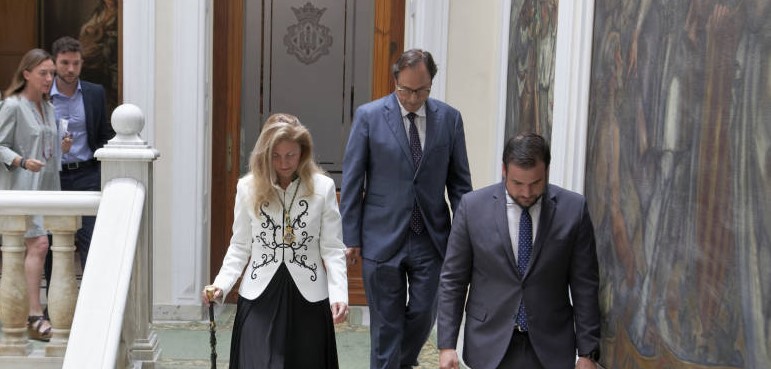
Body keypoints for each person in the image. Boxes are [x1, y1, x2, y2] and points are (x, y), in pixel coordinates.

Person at [340, 48, 472, 369]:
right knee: (386, 326)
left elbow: (459, 185)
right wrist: (350, 237)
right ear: (395, 80)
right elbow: (354, 180)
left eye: (420, 90)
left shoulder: (449, 119)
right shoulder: (369, 116)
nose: (412, 98)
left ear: (430, 84)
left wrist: (466, 238)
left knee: (426, 311)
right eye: (405, 89)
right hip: (380, 236)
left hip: (431, 236)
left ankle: (396, 363)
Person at [437, 133, 601, 369]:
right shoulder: (472, 208)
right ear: (504, 170)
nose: (526, 192)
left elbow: (585, 284)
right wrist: (446, 345)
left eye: (535, 183)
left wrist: (587, 352)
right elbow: (453, 279)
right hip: (489, 341)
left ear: (546, 171)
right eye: (517, 183)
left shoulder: (573, 210)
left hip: (551, 344)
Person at [202, 113, 348, 369]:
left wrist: (339, 294)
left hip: (309, 296)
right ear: (265, 155)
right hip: (259, 294)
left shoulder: (323, 187)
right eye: (276, 156)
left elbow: (333, 248)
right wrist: (221, 285)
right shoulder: (247, 187)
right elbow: (239, 246)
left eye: (290, 155)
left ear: (303, 152)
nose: (284, 163)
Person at [0, 48, 71, 341]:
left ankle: (24, 311)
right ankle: (33, 313)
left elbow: (47, 149)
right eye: (43, 72)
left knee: (35, 248)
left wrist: (62, 149)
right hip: (22, 189)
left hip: (47, 188)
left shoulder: (50, 107)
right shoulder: (12, 105)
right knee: (39, 245)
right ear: (26, 73)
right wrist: (20, 161)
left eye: (51, 73)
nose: (49, 78)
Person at [49, 36, 113, 271]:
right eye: (65, 63)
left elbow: (105, 133)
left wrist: (102, 170)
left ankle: (91, 301)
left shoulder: (94, 92)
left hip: (87, 174)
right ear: (54, 62)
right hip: (53, 175)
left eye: (76, 63)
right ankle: (54, 306)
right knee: (51, 241)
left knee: (91, 238)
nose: (71, 69)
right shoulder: (43, 94)